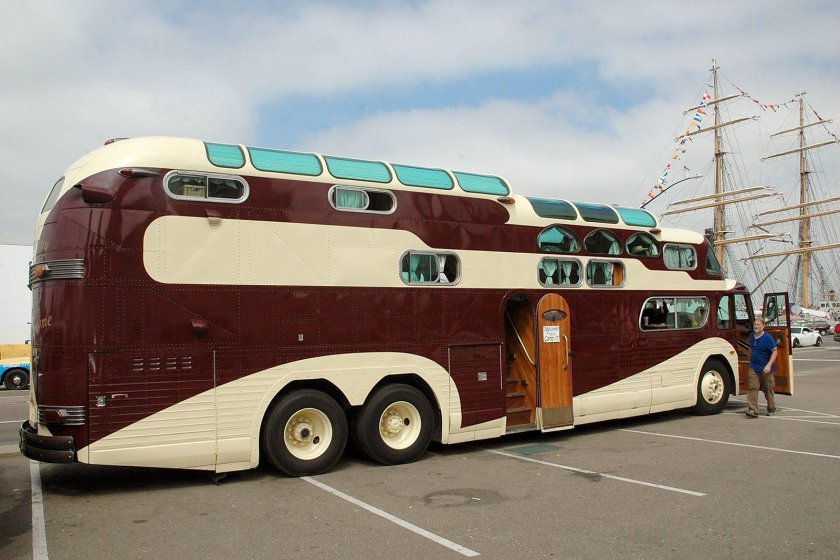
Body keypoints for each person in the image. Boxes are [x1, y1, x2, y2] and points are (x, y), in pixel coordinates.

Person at [746, 317, 778, 418]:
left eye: (758, 325)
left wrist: (768, 365)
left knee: (768, 389)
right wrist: (749, 360)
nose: (756, 326)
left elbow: (774, 352)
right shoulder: (752, 336)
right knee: (752, 388)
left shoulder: (767, 338)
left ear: (763, 326)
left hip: (765, 369)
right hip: (754, 367)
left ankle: (771, 408)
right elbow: (751, 348)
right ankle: (753, 410)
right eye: (755, 324)